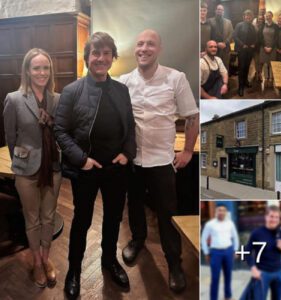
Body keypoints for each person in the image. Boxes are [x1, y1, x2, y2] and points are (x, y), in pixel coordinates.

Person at [54, 32, 136, 298]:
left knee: (113, 219)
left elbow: (130, 127)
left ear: (113, 57)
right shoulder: (72, 91)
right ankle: (74, 270)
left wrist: (127, 153)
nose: (100, 58)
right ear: (88, 57)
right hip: (85, 170)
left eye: (106, 53)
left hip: (116, 169)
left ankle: (109, 261)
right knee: (81, 220)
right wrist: (81, 159)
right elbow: (60, 130)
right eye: (95, 53)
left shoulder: (122, 90)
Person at [119, 29, 199, 293]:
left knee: (167, 214)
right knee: (134, 205)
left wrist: (187, 151)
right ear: (135, 49)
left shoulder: (176, 78)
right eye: (140, 44)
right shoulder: (124, 81)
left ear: (159, 49)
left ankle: (174, 263)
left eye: (150, 44)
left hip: (162, 162)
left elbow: (192, 116)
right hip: (133, 161)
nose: (144, 48)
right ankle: (138, 239)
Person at [3, 48, 61, 288]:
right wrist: (22, 159)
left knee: (48, 218)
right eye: (36, 68)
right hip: (26, 170)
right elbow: (10, 136)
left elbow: (60, 133)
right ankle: (36, 262)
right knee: (33, 219)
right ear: (27, 70)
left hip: (53, 168)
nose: (41, 72)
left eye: (45, 68)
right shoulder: (14, 99)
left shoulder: (56, 99)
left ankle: (47, 259)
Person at [245, 205, 281, 300]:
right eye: (271, 216)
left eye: (276, 217)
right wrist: (253, 268)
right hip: (262, 273)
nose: (274, 219)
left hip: (278, 273)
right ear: (266, 217)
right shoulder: (257, 233)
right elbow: (246, 251)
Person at [201, 204, 239, 300]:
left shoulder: (230, 223)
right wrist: (206, 252)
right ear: (216, 212)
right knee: (215, 277)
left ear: (226, 212)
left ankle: (228, 295)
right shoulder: (210, 224)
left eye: (223, 210)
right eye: (219, 210)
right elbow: (203, 238)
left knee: (228, 275)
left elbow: (235, 237)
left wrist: (235, 250)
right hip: (215, 252)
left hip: (228, 251)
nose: (221, 212)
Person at [233, 9, 256, 97]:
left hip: (250, 51)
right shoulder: (239, 25)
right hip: (242, 50)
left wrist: (254, 43)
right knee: (241, 68)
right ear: (244, 17)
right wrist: (242, 45)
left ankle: (246, 81)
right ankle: (240, 87)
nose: (248, 17)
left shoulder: (253, 27)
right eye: (246, 15)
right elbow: (235, 36)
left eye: (249, 16)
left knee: (247, 67)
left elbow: (255, 37)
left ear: (251, 17)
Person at [209, 4, 233, 71]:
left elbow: (231, 33)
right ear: (215, 11)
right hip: (213, 49)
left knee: (225, 67)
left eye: (221, 10)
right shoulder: (210, 21)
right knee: (214, 68)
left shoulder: (228, 22)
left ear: (223, 12)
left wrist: (225, 43)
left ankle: (225, 81)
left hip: (225, 49)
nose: (220, 11)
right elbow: (208, 35)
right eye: (218, 9)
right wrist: (216, 43)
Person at [259, 11, 278, 87]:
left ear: (272, 16)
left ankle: (271, 78)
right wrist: (265, 47)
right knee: (265, 63)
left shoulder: (275, 26)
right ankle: (266, 78)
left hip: (272, 47)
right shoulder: (263, 25)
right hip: (264, 47)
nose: (268, 17)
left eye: (269, 15)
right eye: (266, 16)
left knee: (271, 63)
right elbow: (260, 37)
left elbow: (276, 38)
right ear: (265, 17)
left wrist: (271, 47)